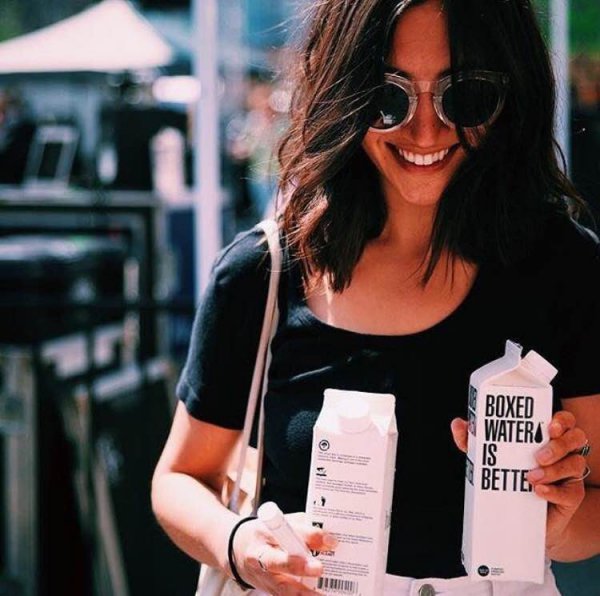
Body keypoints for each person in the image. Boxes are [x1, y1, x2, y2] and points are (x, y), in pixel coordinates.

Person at [152, 1, 600, 594]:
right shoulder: (263, 272)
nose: (424, 131)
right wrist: (239, 546)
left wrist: (551, 525)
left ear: (511, 93)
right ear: (343, 94)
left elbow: (592, 508)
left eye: (463, 95)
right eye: (387, 97)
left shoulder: (563, 267)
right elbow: (180, 477)